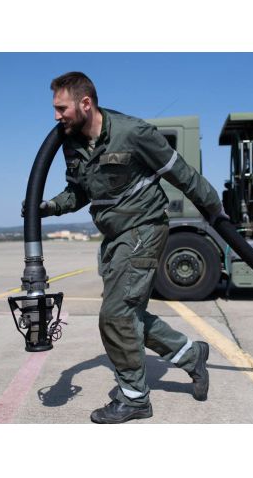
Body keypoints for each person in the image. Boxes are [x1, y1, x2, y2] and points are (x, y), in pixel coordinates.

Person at [39, 71, 226, 424]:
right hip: (115, 236)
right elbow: (79, 192)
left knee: (115, 315)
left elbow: (180, 172)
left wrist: (214, 210)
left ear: (85, 102)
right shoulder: (72, 143)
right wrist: (48, 206)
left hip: (145, 227)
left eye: (61, 108)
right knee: (128, 313)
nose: (56, 116)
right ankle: (190, 354)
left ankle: (135, 397)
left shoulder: (133, 133)